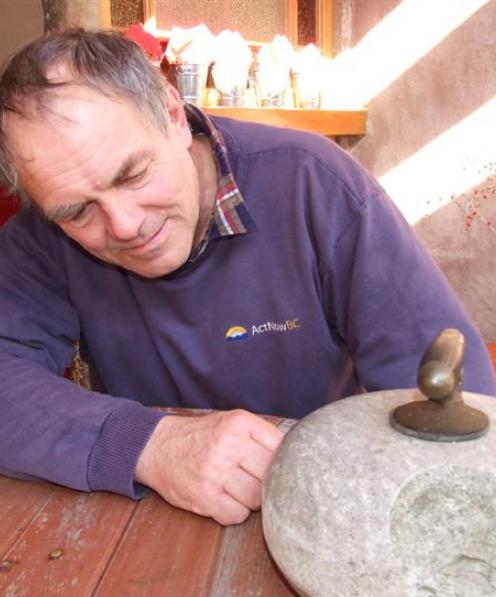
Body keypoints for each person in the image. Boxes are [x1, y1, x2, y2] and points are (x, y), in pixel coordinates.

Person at [0, 30, 494, 526]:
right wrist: (150, 445)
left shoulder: (315, 184)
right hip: (147, 517)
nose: (125, 225)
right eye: (79, 212)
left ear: (173, 115)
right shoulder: (43, 235)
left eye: (132, 175)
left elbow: (454, 400)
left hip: (325, 510)